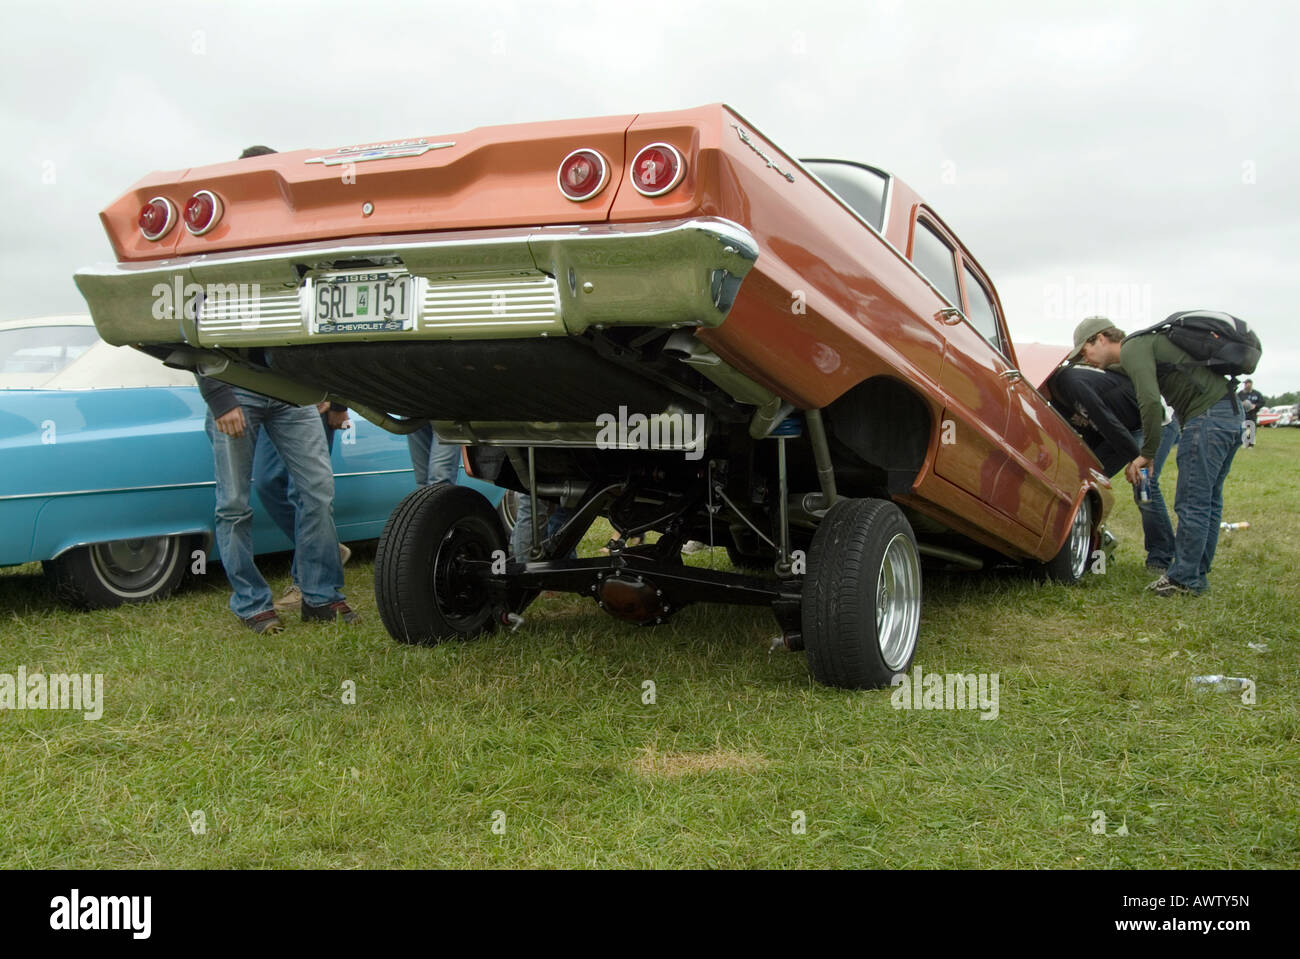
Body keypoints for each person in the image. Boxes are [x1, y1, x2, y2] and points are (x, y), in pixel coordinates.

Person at [1073, 315, 1243, 596]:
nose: (1085, 358)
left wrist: (1147, 453)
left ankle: (1184, 580)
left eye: (1085, 351)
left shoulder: (1133, 348)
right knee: (1209, 501)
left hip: (1207, 417)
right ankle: (1195, 573)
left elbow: (1150, 401)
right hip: (1229, 414)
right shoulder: (1136, 353)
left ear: (1101, 338)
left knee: (1192, 502)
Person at [200, 377, 358, 631]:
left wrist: (327, 390)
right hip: (236, 387)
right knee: (233, 504)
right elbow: (193, 340)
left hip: (293, 390)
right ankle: (252, 604)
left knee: (317, 494)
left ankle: (321, 597)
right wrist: (220, 398)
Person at [1048, 352, 1177, 570]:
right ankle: (1094, 547)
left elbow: (1103, 417)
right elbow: (1090, 430)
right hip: (1121, 429)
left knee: (1143, 484)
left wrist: (1136, 456)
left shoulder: (1070, 380)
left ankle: (1162, 557)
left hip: (1151, 424)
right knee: (1086, 481)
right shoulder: (1057, 399)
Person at [256, 400, 353, 612]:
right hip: (270, 398)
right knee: (266, 482)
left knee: (304, 493)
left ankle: (306, 584)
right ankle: (326, 548)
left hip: (313, 400)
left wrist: (338, 404)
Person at [1237, 378, 1264, 448]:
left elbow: (1262, 402)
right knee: (1243, 428)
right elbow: (1236, 402)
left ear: (1250, 384)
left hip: (1252, 414)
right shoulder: (1240, 393)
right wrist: (1241, 404)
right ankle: (1243, 442)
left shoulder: (1256, 394)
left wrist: (1255, 406)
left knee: (1251, 428)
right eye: (1245, 384)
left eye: (1247, 383)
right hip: (1243, 414)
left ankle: (1250, 444)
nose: (1245, 385)